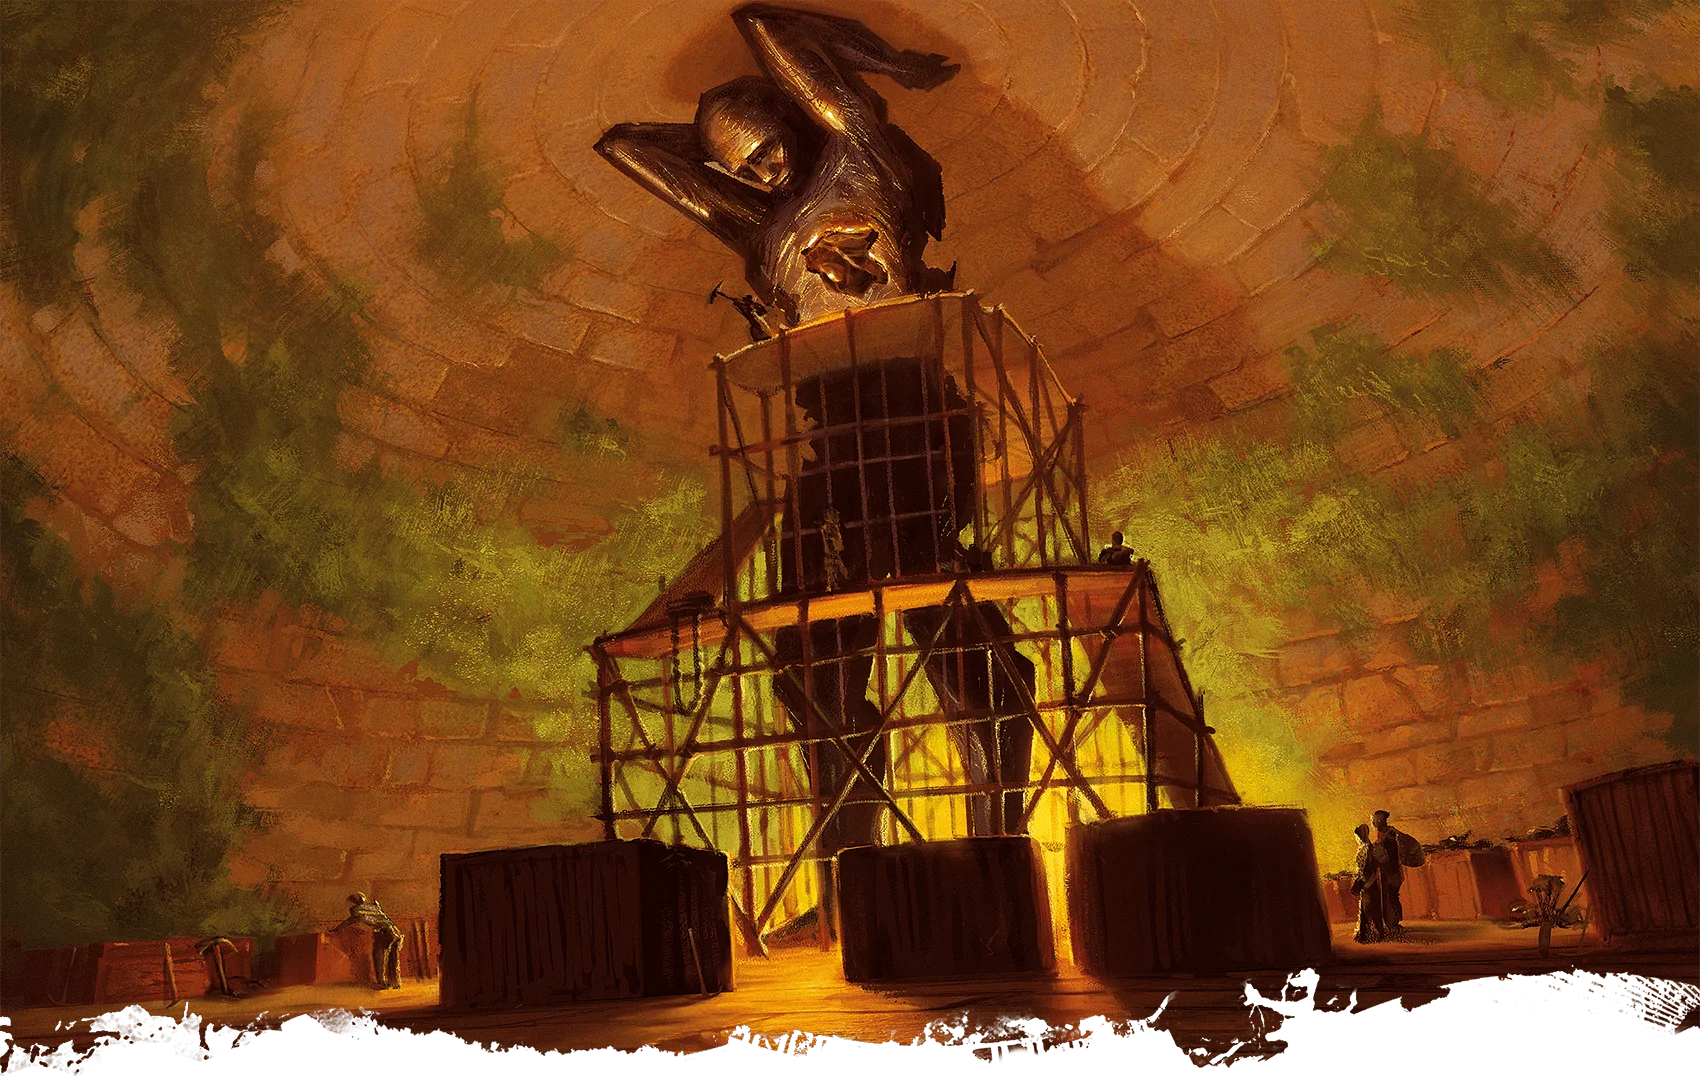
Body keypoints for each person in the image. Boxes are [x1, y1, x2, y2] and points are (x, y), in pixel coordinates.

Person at [596, 4, 959, 330]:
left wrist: (896, 64)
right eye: (743, 173)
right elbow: (622, 147)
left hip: (899, 329)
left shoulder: (855, 150)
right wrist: (713, 139)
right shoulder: (762, 227)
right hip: (826, 356)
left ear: (785, 116)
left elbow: (763, 23)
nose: (765, 176)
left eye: (764, 153)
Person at [333, 892, 405, 990]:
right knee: (393, 958)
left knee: (379, 957)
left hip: (383, 933)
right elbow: (384, 919)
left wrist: (337, 929)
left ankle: (382, 983)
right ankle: (395, 983)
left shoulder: (356, 909)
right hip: (394, 933)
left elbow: (351, 920)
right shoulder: (374, 905)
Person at [1372, 809, 1417, 932]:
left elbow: (1391, 855)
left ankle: (1394, 923)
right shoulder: (1381, 833)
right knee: (1388, 896)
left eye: (1378, 819)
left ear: (1383, 821)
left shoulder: (1390, 835)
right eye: (1375, 819)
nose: (1376, 821)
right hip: (1385, 870)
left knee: (1391, 896)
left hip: (1391, 870)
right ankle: (1391, 923)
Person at [1349, 823, 1390, 943]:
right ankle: (1367, 934)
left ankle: (1376, 934)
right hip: (1367, 883)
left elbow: (1371, 867)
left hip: (1369, 884)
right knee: (1367, 909)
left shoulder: (1367, 848)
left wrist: (1367, 883)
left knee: (1370, 909)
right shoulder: (1366, 847)